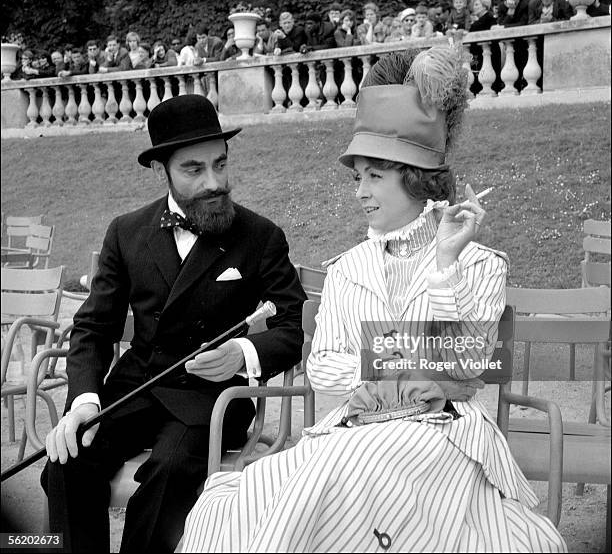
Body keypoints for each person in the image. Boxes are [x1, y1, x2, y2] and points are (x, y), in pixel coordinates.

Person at [180, 47, 568, 553]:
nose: (359, 191)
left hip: (442, 439)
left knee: (345, 476)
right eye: (356, 176)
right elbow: (323, 368)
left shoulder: (477, 264)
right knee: (239, 501)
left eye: (374, 176)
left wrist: (445, 267)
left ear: (415, 178)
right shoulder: (347, 269)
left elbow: (470, 367)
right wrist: (411, 364)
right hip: (351, 428)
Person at [40, 94, 306, 554]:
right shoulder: (126, 232)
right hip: (135, 389)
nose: (214, 182)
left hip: (212, 401)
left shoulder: (262, 237)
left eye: (220, 165)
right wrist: (83, 400)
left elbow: (291, 327)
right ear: (161, 170)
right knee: (65, 461)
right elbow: (93, 327)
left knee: (166, 475)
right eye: (194, 169)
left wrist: (241, 354)